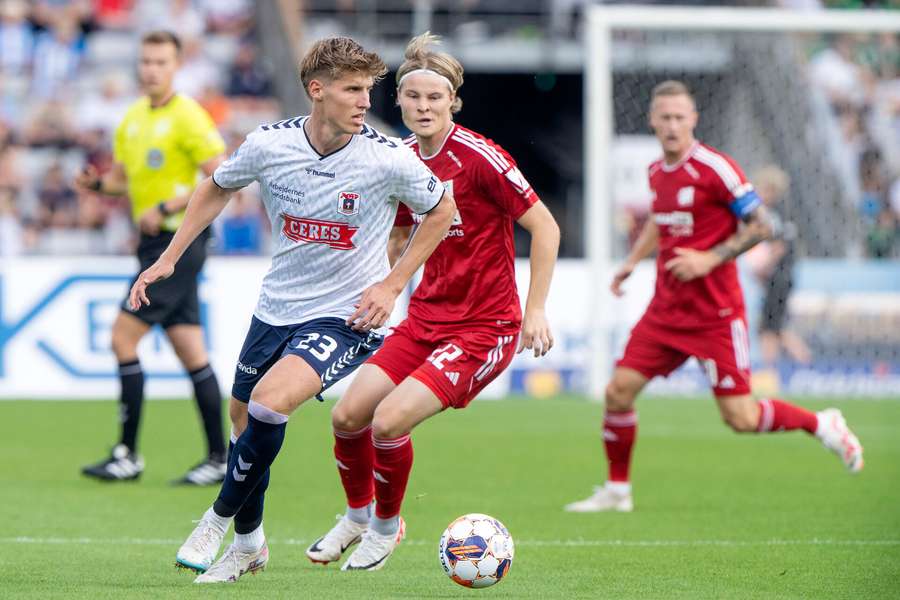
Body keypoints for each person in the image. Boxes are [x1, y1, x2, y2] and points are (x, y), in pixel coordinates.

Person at [130, 36, 456, 583]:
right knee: (244, 424)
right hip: (275, 308)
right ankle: (251, 544)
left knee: (269, 404)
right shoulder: (268, 144)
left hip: (347, 316)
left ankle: (216, 520)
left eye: (368, 90)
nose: (363, 101)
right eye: (352, 90)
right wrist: (168, 258)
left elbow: (442, 210)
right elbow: (217, 187)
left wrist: (393, 284)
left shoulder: (386, 156)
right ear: (317, 90)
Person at [306, 32, 560, 572]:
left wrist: (535, 309)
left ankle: (384, 528)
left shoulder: (480, 158)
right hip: (424, 318)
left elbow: (546, 227)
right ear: (397, 100)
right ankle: (356, 516)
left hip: (483, 328)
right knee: (348, 415)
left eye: (435, 98)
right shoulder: (397, 159)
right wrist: (377, 285)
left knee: (388, 422)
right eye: (413, 97)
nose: (423, 107)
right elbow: (399, 237)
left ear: (453, 103)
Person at [564, 81, 864, 514]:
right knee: (618, 392)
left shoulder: (716, 169)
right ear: (652, 121)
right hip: (666, 311)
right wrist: (631, 261)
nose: (671, 125)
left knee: (739, 418)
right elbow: (660, 221)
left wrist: (709, 259)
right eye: (663, 117)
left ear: (693, 120)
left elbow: (763, 225)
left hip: (716, 315)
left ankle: (822, 423)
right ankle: (617, 489)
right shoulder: (656, 172)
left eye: (679, 118)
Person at [77, 31, 228, 486]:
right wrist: (98, 185)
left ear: (176, 66)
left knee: (122, 340)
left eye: (160, 62)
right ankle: (220, 457)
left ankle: (127, 453)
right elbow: (124, 180)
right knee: (190, 351)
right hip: (151, 246)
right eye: (145, 61)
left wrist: (165, 208)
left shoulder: (189, 116)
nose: (151, 69)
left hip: (178, 245)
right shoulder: (132, 119)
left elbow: (222, 174)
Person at [746, 166, 811, 375]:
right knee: (777, 326)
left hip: (777, 277)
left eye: (761, 190)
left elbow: (778, 248)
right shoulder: (786, 213)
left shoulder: (772, 215)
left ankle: (769, 373)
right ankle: (805, 365)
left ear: (771, 190)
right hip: (785, 276)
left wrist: (761, 269)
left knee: (768, 327)